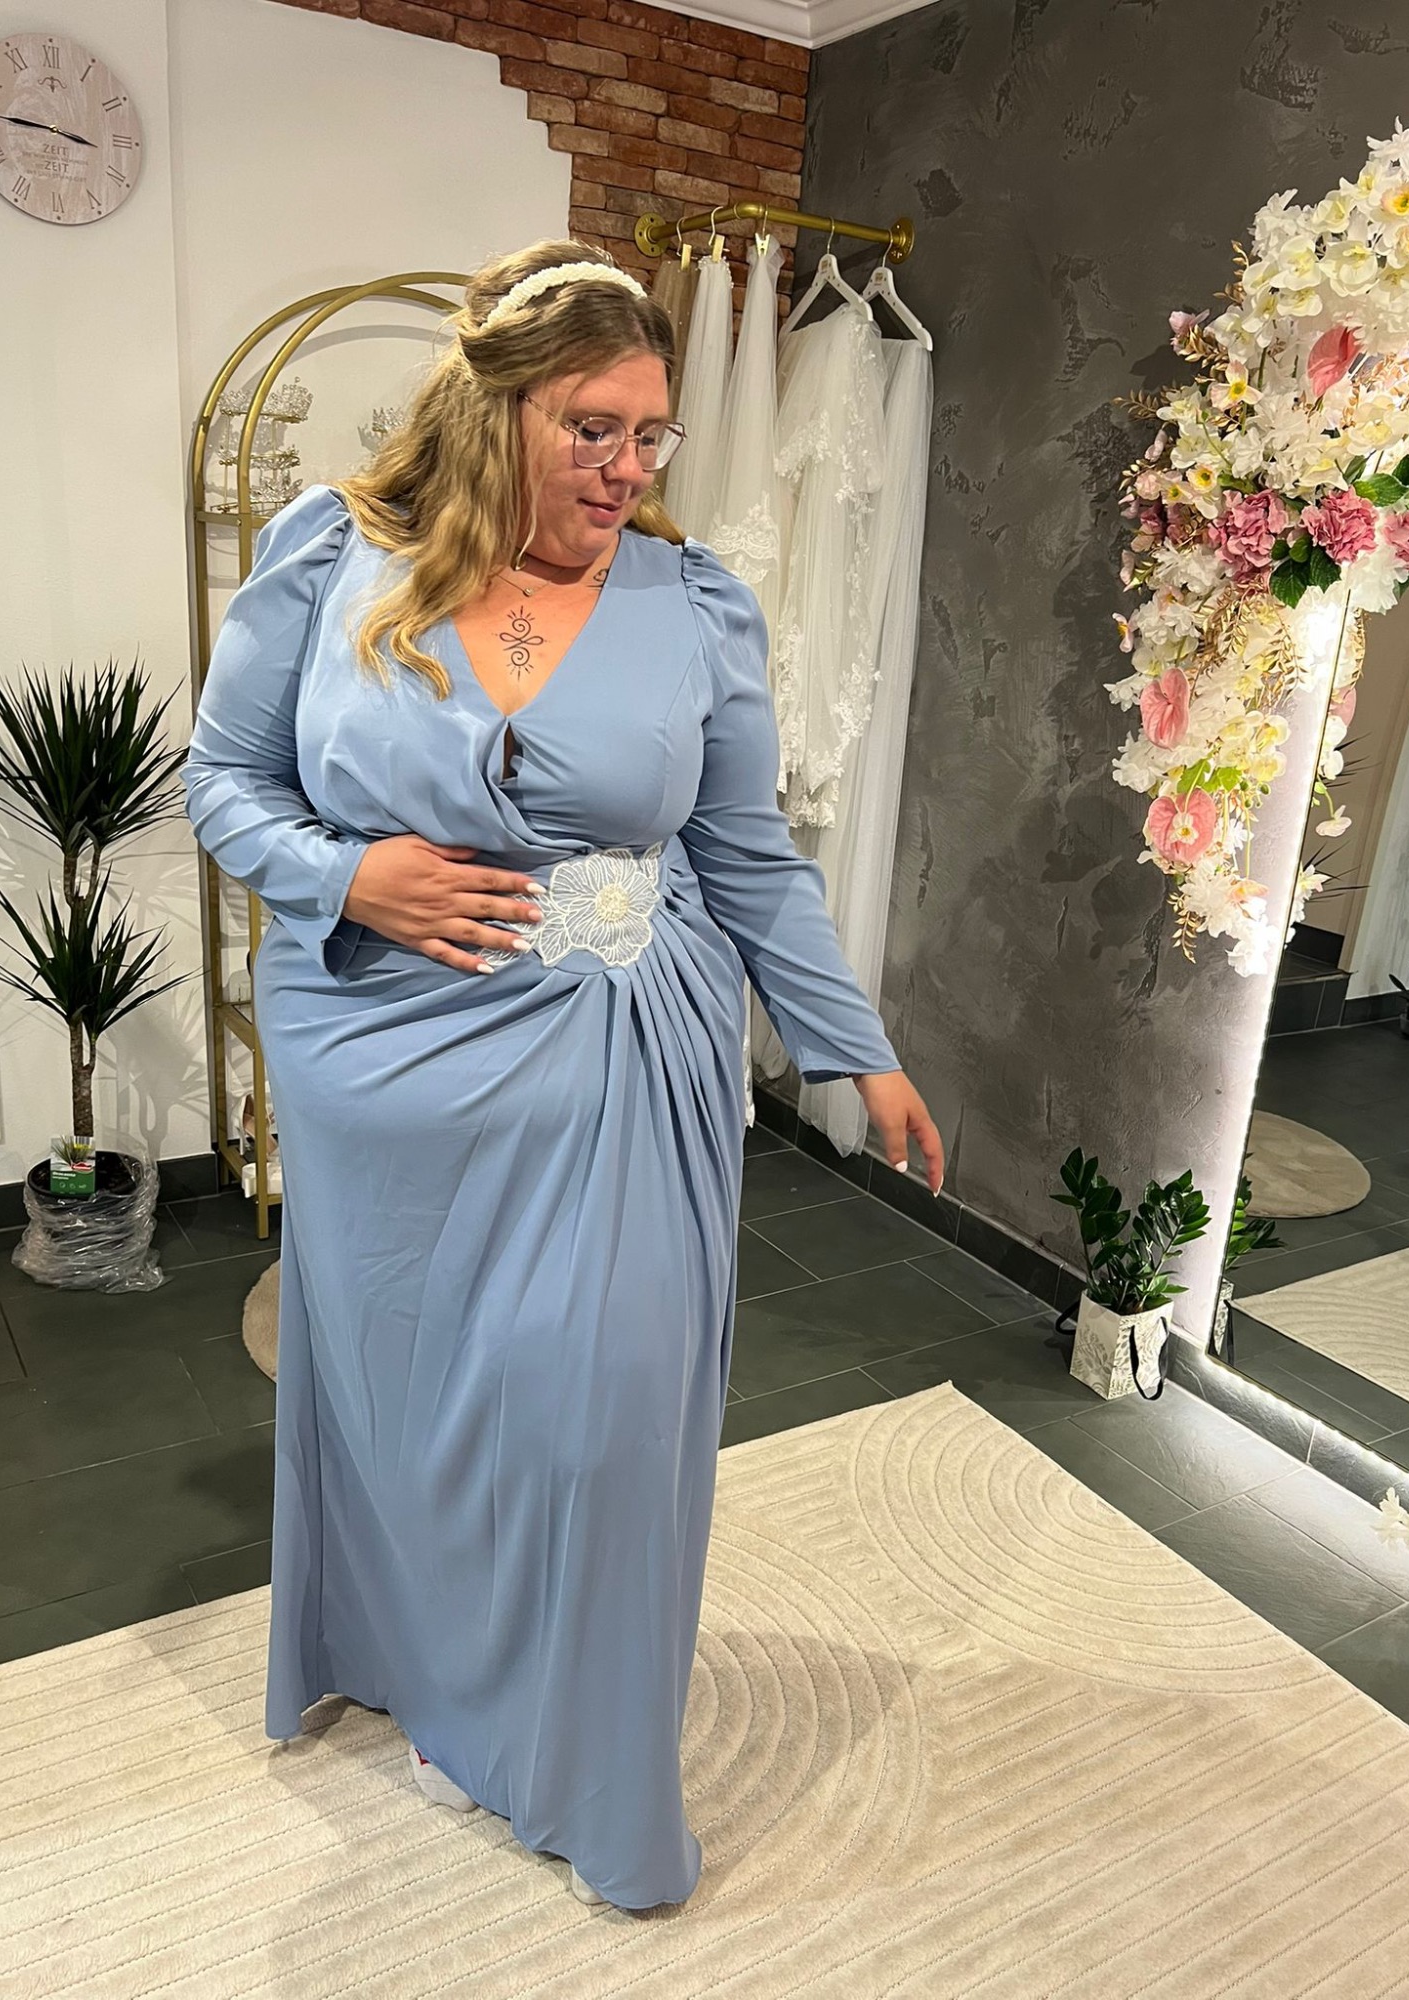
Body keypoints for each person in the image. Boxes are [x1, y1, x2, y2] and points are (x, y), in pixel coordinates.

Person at [181, 238, 944, 1914]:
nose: (626, 468)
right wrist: (345, 877)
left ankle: (589, 1768)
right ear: (497, 409)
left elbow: (745, 850)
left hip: (620, 1059)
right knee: (415, 1408)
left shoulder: (695, 603)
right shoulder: (330, 557)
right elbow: (222, 783)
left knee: (603, 1414)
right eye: (592, 428)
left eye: (650, 435)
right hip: (379, 1054)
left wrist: (853, 1045)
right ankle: (423, 1671)